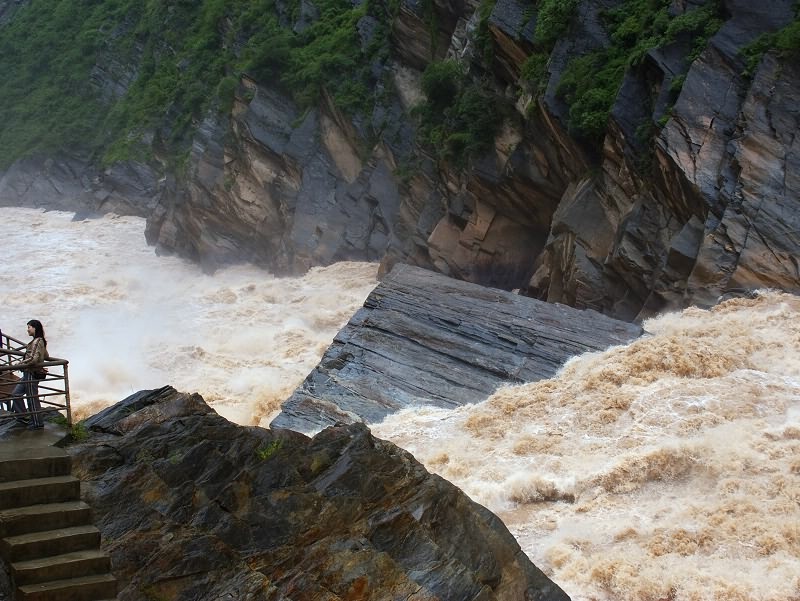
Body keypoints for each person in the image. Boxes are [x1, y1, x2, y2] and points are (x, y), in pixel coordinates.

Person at [11, 320, 49, 429]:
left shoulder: (37, 341)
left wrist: (20, 364)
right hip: (28, 373)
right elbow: (45, 355)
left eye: (29, 327)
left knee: (32, 398)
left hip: (32, 373)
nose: (27, 329)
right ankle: (23, 416)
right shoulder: (38, 341)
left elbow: (33, 358)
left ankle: (37, 423)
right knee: (16, 394)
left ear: (35, 328)